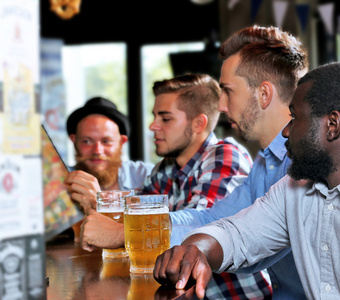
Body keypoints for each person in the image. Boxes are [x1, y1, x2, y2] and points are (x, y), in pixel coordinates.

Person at [153, 61, 340, 299]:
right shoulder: (294, 189)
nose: (285, 132)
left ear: (331, 125)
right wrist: (197, 250)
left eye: (294, 118)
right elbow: (237, 235)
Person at [80, 25, 309, 299]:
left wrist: (127, 233)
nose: (221, 106)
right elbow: (211, 218)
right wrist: (132, 228)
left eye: (227, 90)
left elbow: (244, 240)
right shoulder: (266, 163)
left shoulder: (303, 165)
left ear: (264, 94)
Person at [82, 74, 272, 299]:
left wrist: (124, 233)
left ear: (198, 124)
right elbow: (131, 216)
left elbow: (203, 232)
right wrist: (96, 203)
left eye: (165, 118)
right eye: (154, 117)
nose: (153, 126)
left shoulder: (225, 156)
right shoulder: (164, 169)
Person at [64, 97, 154, 239]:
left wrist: (98, 203)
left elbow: (158, 230)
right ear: (74, 141)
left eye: (106, 141)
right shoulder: (59, 183)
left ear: (121, 142)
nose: (97, 150)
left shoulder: (149, 176)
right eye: (87, 141)